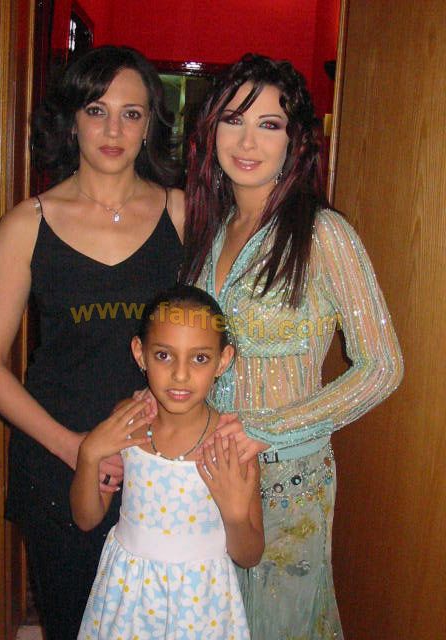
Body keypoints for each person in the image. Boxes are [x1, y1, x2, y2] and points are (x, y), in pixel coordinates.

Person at [182, 53, 404, 639]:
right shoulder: (210, 230)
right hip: (209, 471)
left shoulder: (323, 233)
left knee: (282, 625)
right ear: (211, 129)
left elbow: (382, 368)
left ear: (294, 140)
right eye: (233, 120)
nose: (247, 141)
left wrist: (267, 428)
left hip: (289, 480)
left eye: (269, 124)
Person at [0, 46, 184, 640]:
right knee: (74, 623)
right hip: (57, 460)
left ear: (150, 124)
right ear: (71, 120)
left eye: (131, 113)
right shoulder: (26, 224)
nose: (113, 130)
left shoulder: (180, 213)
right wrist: (75, 448)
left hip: (159, 463)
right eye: (96, 110)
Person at [72, 284, 264, 639]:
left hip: (201, 607)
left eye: (199, 358)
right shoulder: (127, 420)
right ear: (140, 353)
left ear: (223, 361)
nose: (180, 374)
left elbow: (249, 555)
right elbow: (87, 518)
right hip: (127, 597)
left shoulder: (231, 446)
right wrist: (88, 455)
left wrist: (236, 516)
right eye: (163, 355)